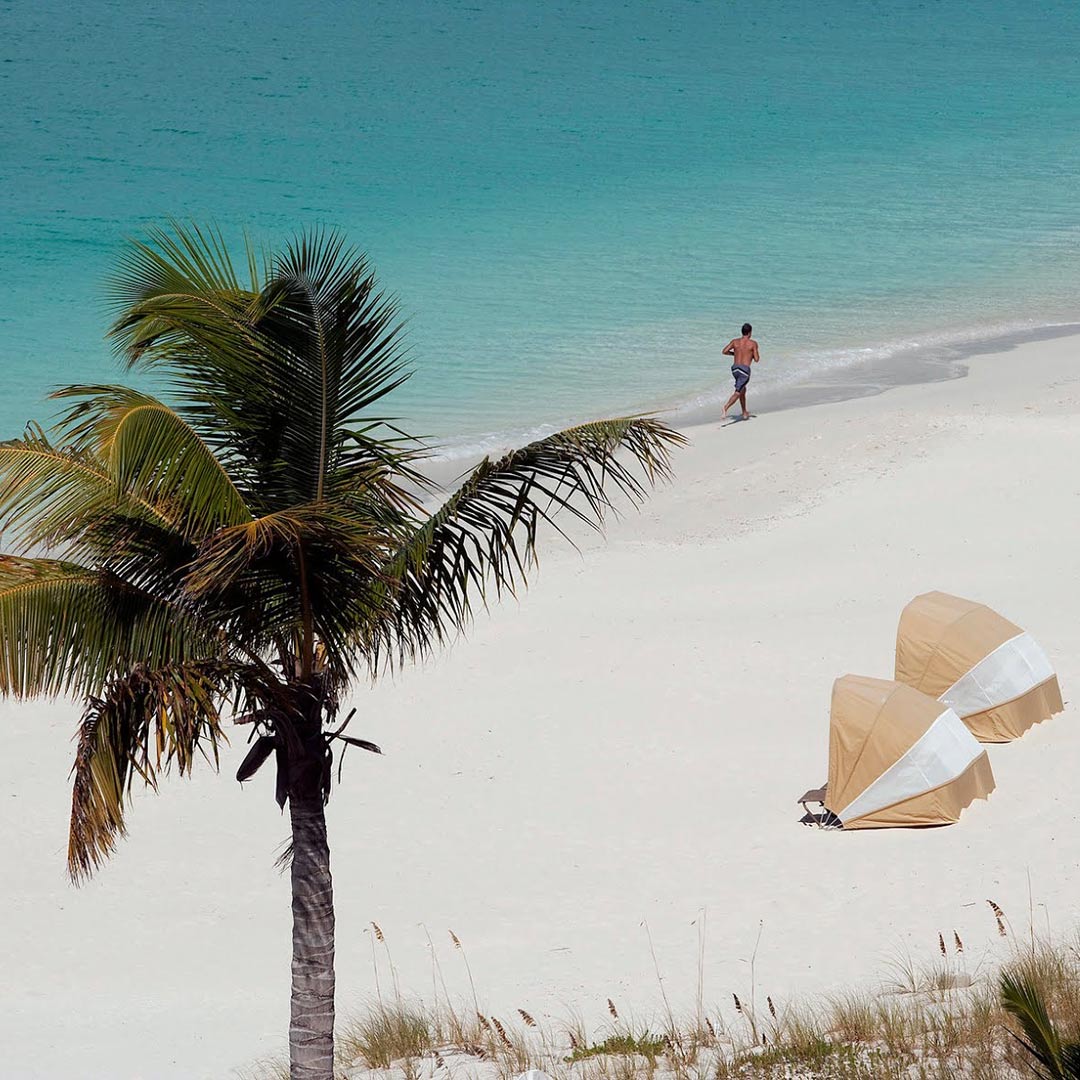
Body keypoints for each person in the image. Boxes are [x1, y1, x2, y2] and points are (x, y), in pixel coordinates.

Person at [722, 323, 760, 420]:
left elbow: (724, 351)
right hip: (744, 370)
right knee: (738, 392)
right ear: (750, 332)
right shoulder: (753, 343)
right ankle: (725, 407)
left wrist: (734, 354)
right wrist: (750, 354)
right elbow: (756, 359)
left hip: (735, 369)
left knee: (743, 389)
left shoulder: (735, 341)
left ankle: (744, 412)